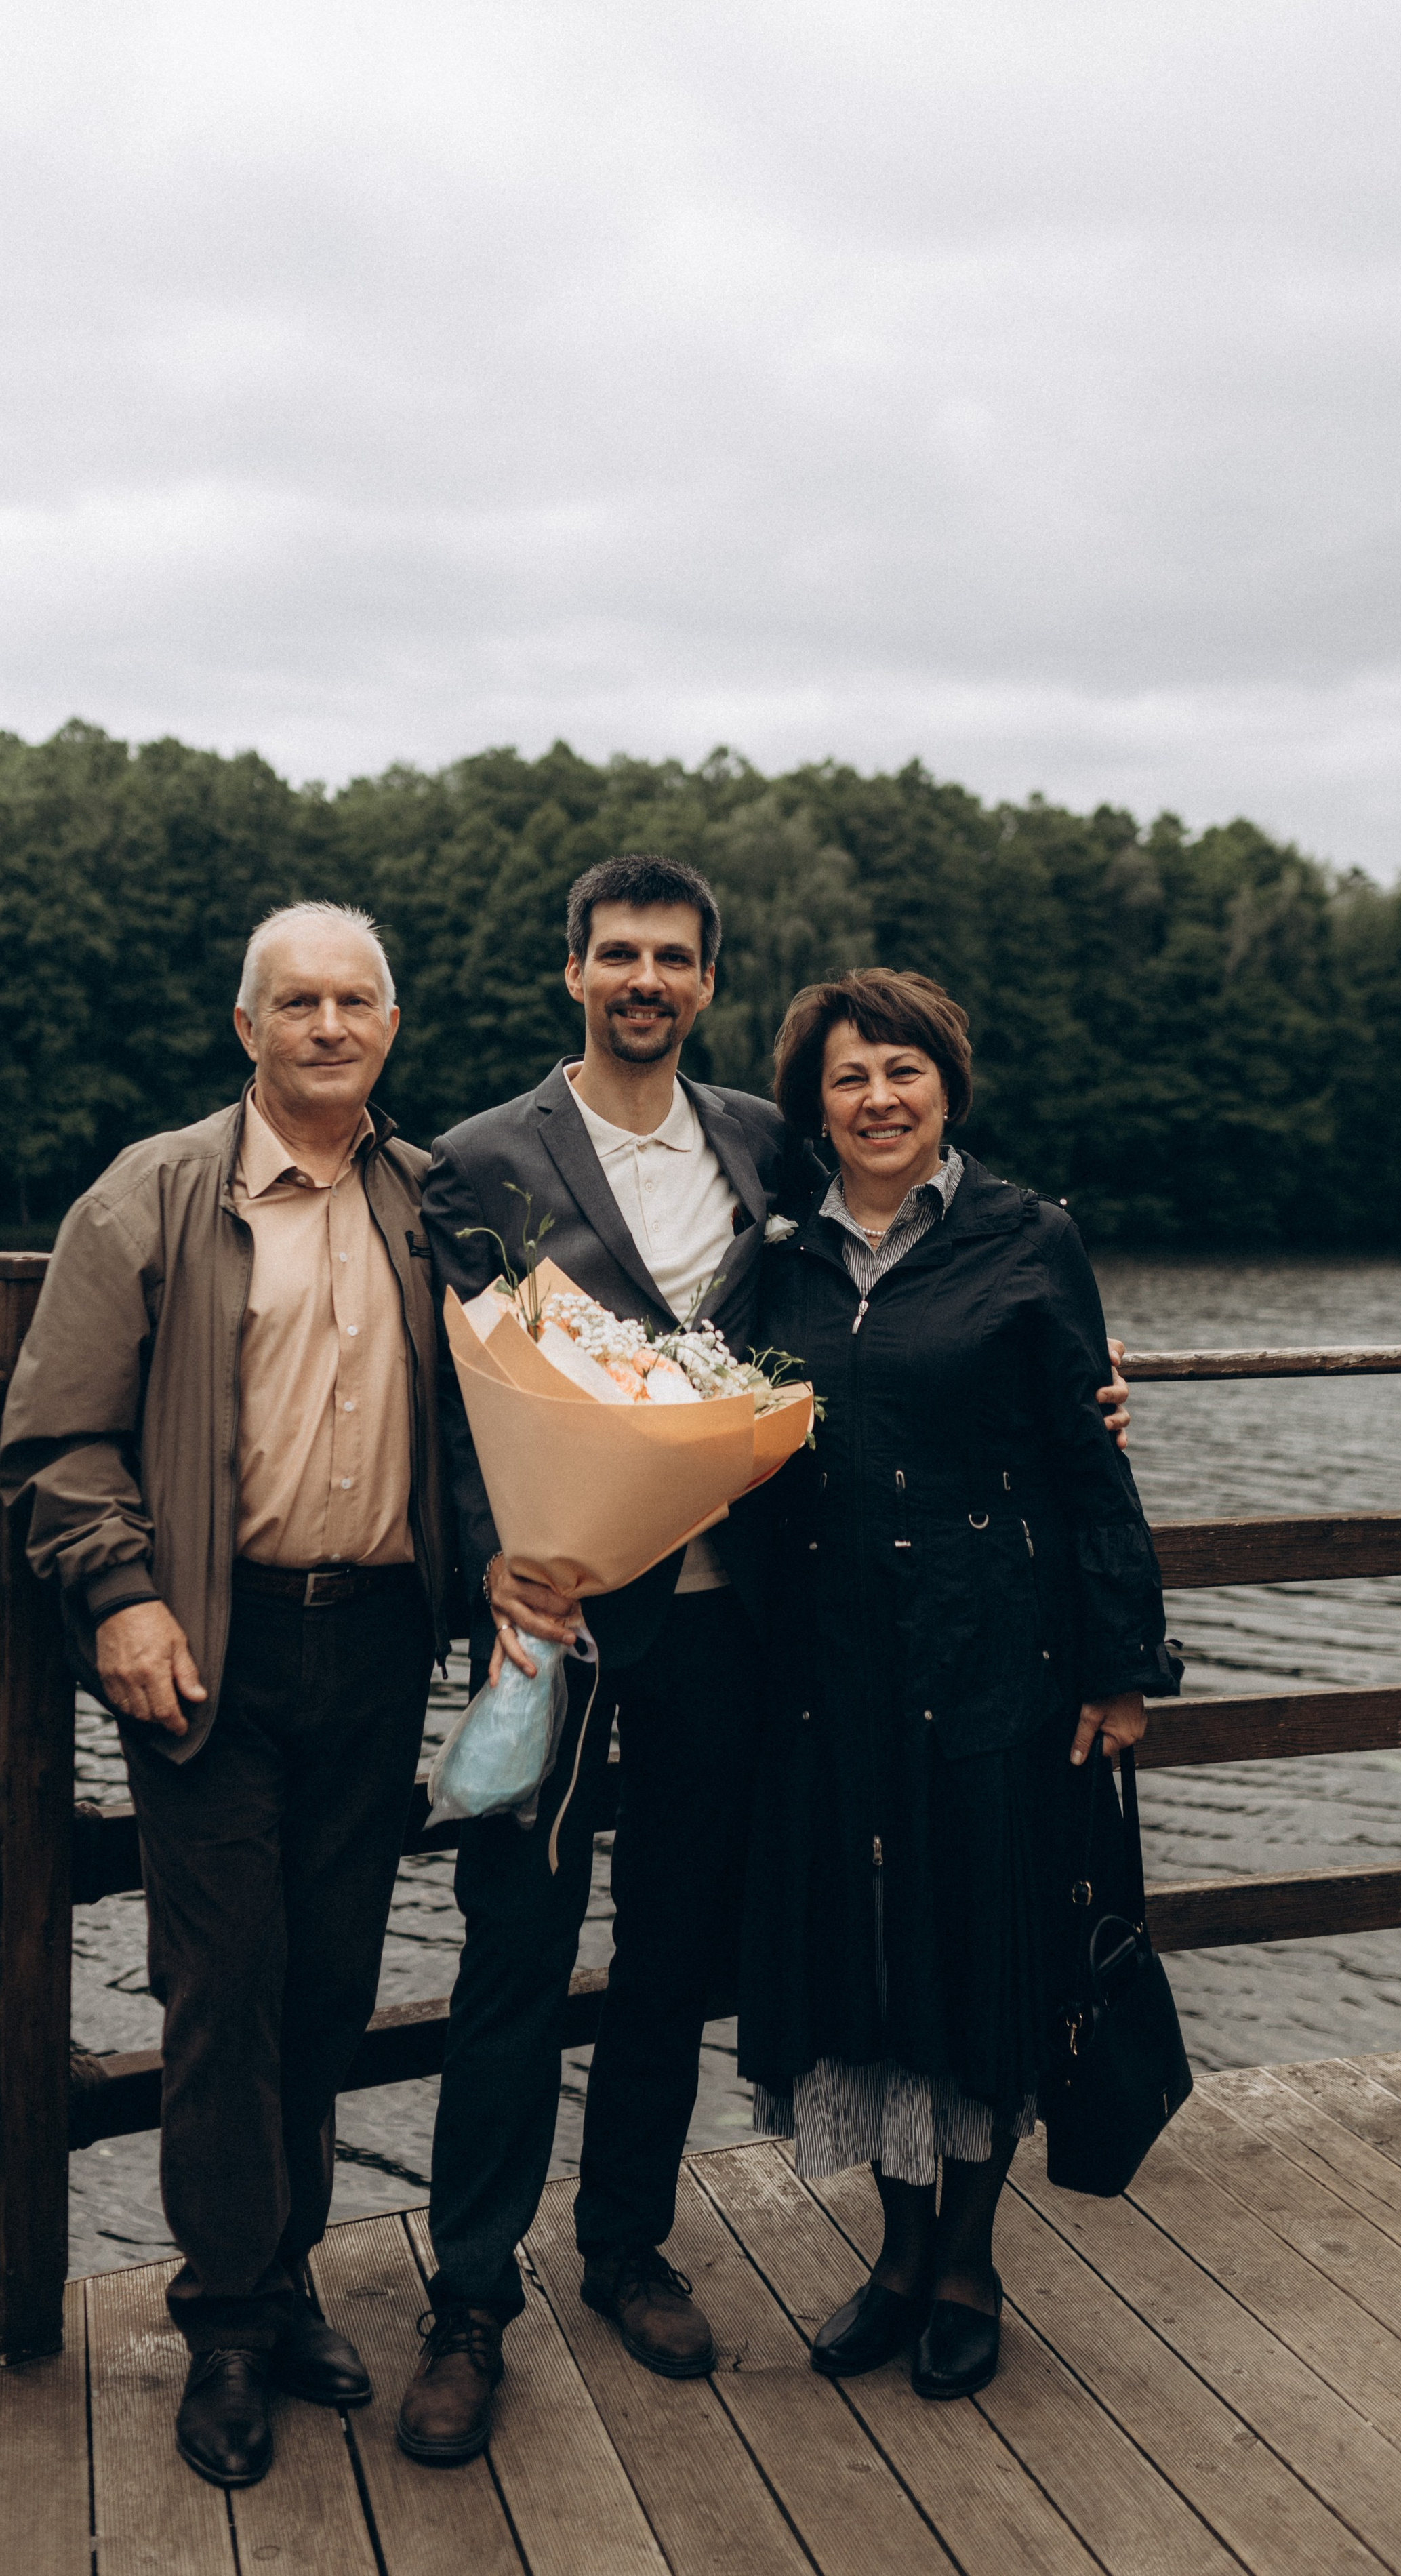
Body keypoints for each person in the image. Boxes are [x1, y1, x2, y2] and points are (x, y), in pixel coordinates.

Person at [400, 863, 1133, 2464]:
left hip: (737, 1626)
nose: (640, 979)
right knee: (514, 1956)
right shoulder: (472, 1161)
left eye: (671, 957)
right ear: (568, 970)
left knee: (672, 1950)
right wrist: (487, 1564)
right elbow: (441, 1391)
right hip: (558, 1628)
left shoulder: (765, 1139)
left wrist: (1083, 1368)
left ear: (707, 983)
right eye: (615, 956)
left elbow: (926, 1230)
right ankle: (465, 2299)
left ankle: (624, 2248)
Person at [0, 902, 450, 2491]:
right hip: (208, 1645)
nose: (329, 1025)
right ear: (244, 1027)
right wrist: (118, 1594)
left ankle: (285, 2274)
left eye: (355, 1001)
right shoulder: (153, 1191)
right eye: (297, 1001)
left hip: (381, 1640)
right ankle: (227, 2327)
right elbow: (58, 1436)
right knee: (222, 1990)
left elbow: (557, 1377)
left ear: (390, 1026)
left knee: (327, 1984)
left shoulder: (432, 1200)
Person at [737, 967, 1181, 2402]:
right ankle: (892, 2252)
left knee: (978, 1954)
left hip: (993, 1664)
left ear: (947, 1087)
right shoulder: (779, 1260)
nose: (876, 1099)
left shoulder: (1026, 1238)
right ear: (815, 1105)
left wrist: (1123, 1666)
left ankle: (968, 2266)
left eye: (902, 1072)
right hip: (825, 1675)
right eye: (849, 1078)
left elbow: (1085, 1462)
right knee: (863, 1961)